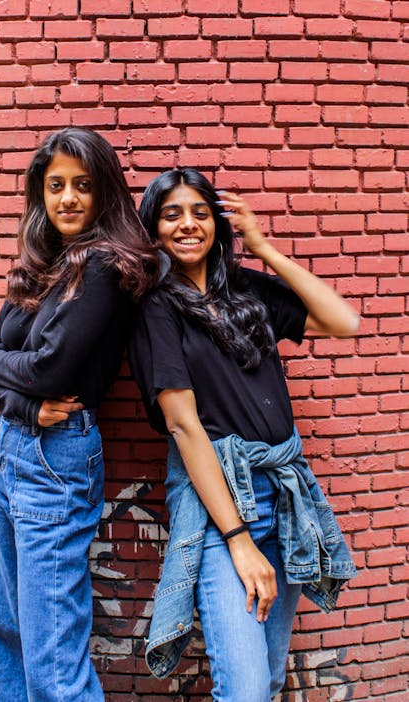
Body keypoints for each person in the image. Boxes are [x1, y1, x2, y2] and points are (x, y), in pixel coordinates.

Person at [128, 168, 359, 701]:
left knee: (271, 677)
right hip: (220, 507)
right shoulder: (155, 306)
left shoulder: (245, 290)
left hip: (283, 496)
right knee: (248, 689)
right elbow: (185, 426)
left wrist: (262, 249)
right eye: (172, 215)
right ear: (154, 228)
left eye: (200, 213)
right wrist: (238, 541)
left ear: (217, 223)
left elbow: (342, 321)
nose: (188, 225)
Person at [0, 127, 157, 702]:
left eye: (83, 185)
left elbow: (50, 370)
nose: (68, 199)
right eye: (56, 186)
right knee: (8, 632)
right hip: (11, 452)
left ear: (104, 192)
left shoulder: (103, 267)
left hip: (55, 462)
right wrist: (23, 399)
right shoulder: (43, 262)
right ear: (40, 193)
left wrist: (9, 371)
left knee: (52, 659)